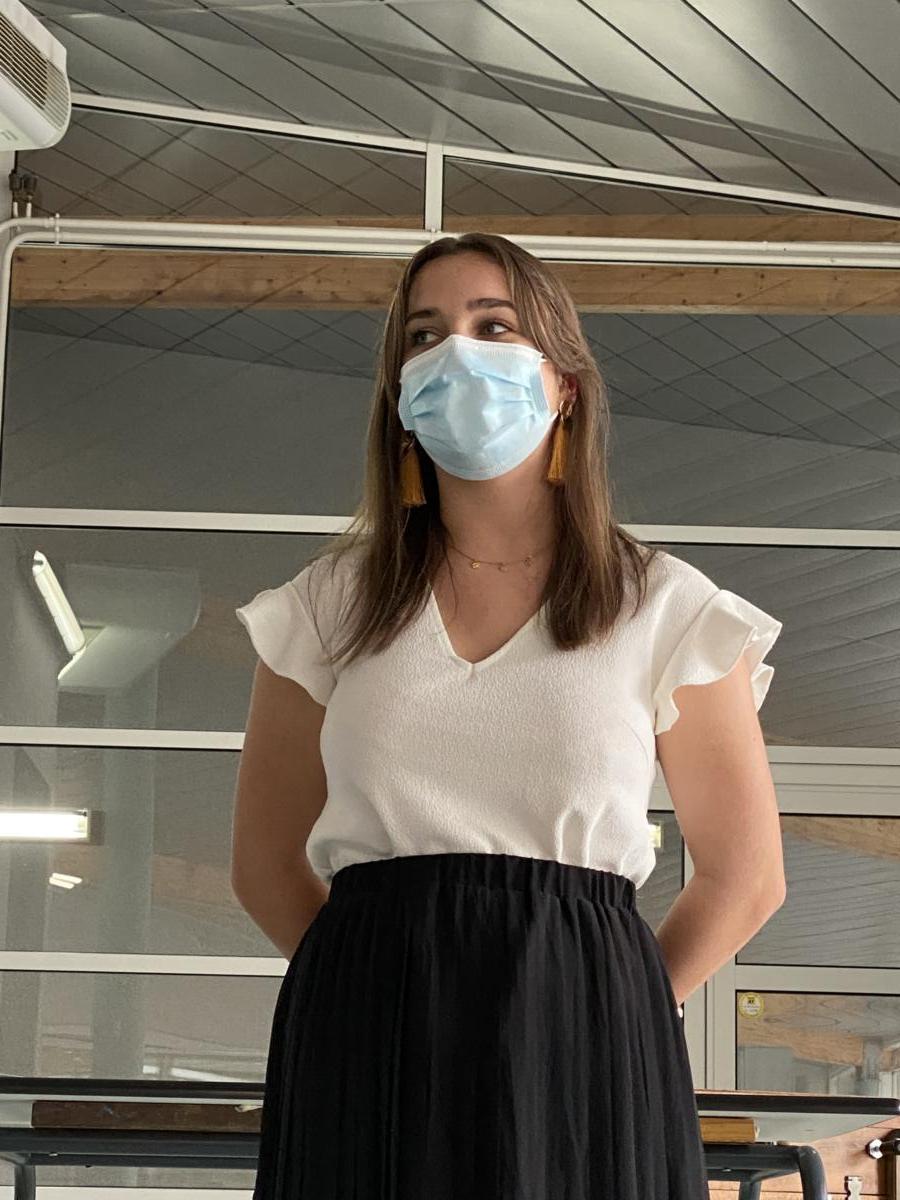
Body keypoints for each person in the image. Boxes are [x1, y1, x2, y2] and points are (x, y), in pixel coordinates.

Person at [232, 231, 787, 1200]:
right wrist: (370, 995)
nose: (456, 352)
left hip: (588, 1034)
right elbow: (263, 864)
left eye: (494, 326)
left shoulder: (666, 608)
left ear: (564, 384)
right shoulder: (325, 607)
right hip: (370, 1038)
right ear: (398, 393)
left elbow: (746, 876)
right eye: (424, 335)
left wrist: (607, 1009)